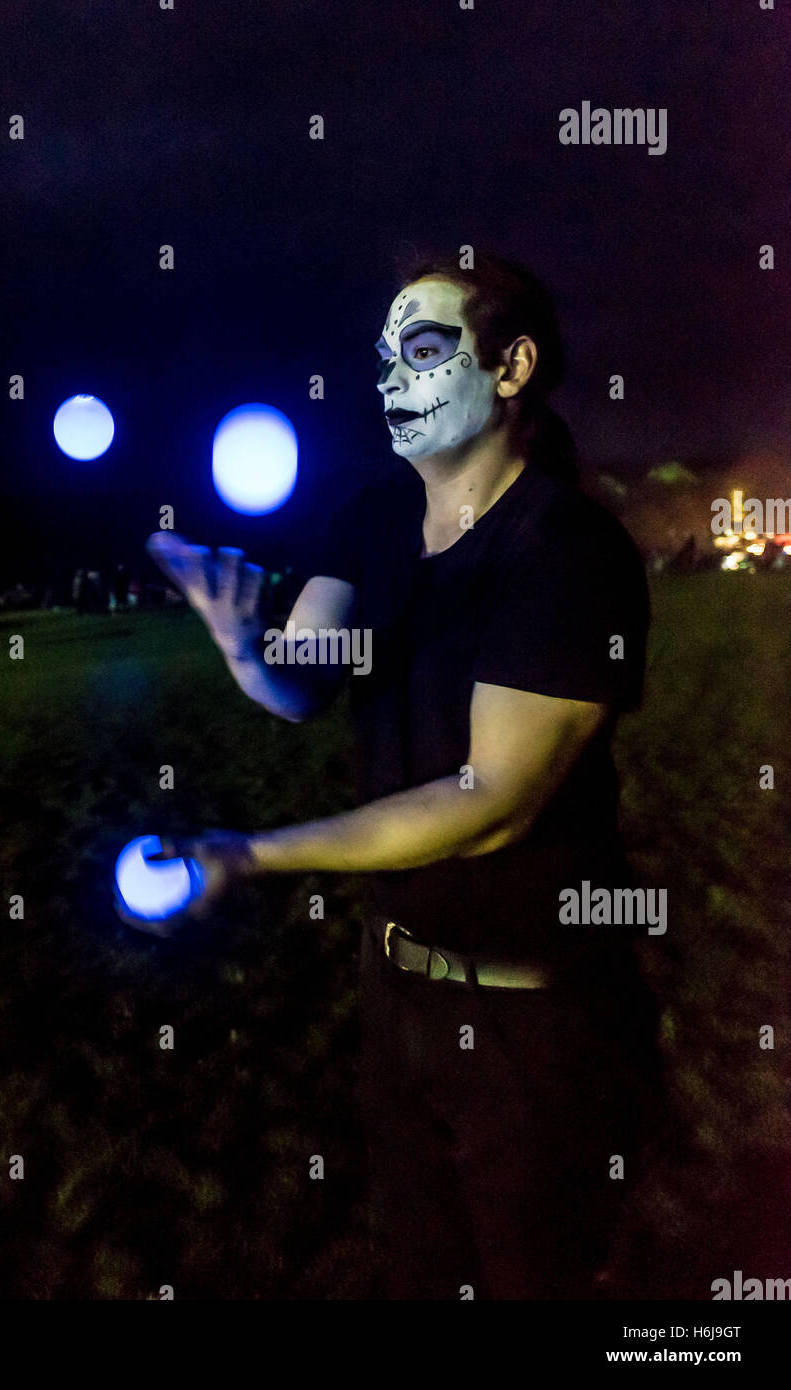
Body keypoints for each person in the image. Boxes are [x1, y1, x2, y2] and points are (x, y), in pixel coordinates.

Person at [139, 252, 663, 1300]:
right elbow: (305, 681)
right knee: (423, 1271)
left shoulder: (566, 551)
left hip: (534, 1020)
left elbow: (486, 810)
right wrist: (247, 645)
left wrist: (250, 855)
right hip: (397, 996)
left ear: (511, 366)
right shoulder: (372, 519)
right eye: (381, 358)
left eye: (422, 351)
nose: (387, 378)